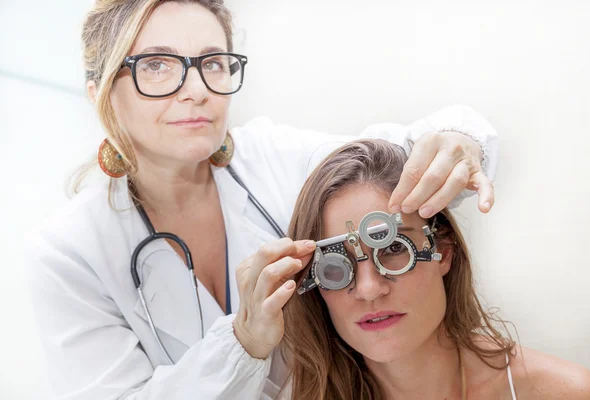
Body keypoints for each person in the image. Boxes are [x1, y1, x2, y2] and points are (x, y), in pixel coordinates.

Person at [23, 1, 499, 399]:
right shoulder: (69, 252)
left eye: (212, 63)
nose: (196, 91)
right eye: (156, 65)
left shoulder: (275, 157)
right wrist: (243, 343)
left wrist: (461, 141)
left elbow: (408, 157)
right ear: (100, 93)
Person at [282, 139, 590, 400]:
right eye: (335, 267)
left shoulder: (562, 391)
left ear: (444, 252)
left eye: (394, 248)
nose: (368, 288)